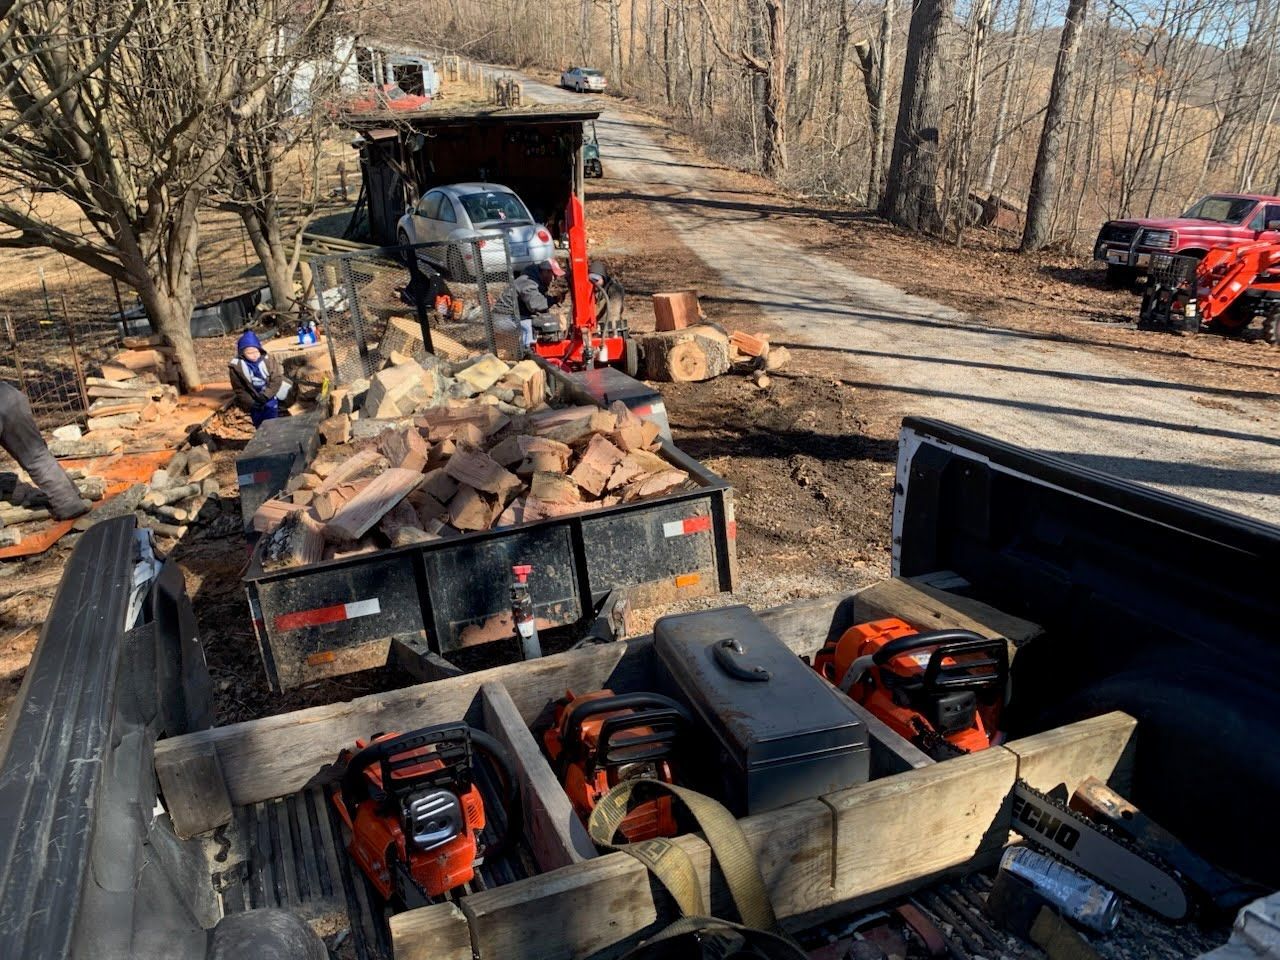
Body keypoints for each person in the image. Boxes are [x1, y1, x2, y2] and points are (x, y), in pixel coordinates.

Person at [0, 382, 90, 519]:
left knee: (35, 456)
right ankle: (70, 500)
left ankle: (69, 504)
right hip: (10, 397)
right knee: (37, 455)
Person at [493, 259, 565, 349]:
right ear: (545, 272)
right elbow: (535, 305)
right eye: (553, 275)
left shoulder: (536, 280)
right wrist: (553, 300)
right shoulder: (528, 283)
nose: (554, 279)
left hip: (514, 316)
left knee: (541, 320)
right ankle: (529, 354)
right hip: (503, 319)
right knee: (529, 326)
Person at [229, 330, 290, 427]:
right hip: (253, 400)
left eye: (256, 351)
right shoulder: (237, 367)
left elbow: (276, 379)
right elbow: (239, 388)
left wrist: (266, 395)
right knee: (259, 424)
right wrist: (250, 402)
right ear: (242, 353)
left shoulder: (267, 360)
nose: (254, 355)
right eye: (249, 353)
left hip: (269, 397)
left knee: (272, 421)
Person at [588, 260, 625, 333]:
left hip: (607, 329)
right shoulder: (588, 289)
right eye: (591, 279)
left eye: (596, 280)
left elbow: (613, 314)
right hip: (591, 328)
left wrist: (608, 331)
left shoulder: (615, 289)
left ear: (603, 278)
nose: (593, 282)